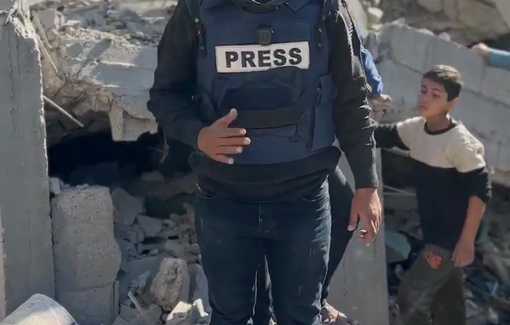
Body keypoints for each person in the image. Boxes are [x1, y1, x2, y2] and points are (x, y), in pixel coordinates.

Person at [147, 0, 383, 324]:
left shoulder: (325, 7)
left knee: (301, 315)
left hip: (303, 199)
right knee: (232, 317)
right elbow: (165, 94)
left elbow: (352, 97)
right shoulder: (198, 9)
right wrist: (199, 135)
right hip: (224, 199)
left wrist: (366, 184)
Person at [253, 30, 391, 325]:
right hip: (267, 141)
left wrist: (370, 81)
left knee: (341, 211)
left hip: (303, 142)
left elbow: (352, 47)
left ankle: (307, 300)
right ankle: (275, 308)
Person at [374, 65, 491, 325]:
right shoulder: (416, 130)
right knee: (448, 304)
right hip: (433, 233)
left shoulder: (460, 143)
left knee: (412, 292)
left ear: (452, 103)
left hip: (447, 242)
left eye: (435, 95)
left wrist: (466, 242)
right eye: (423, 90)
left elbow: (480, 192)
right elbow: (383, 135)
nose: (425, 98)